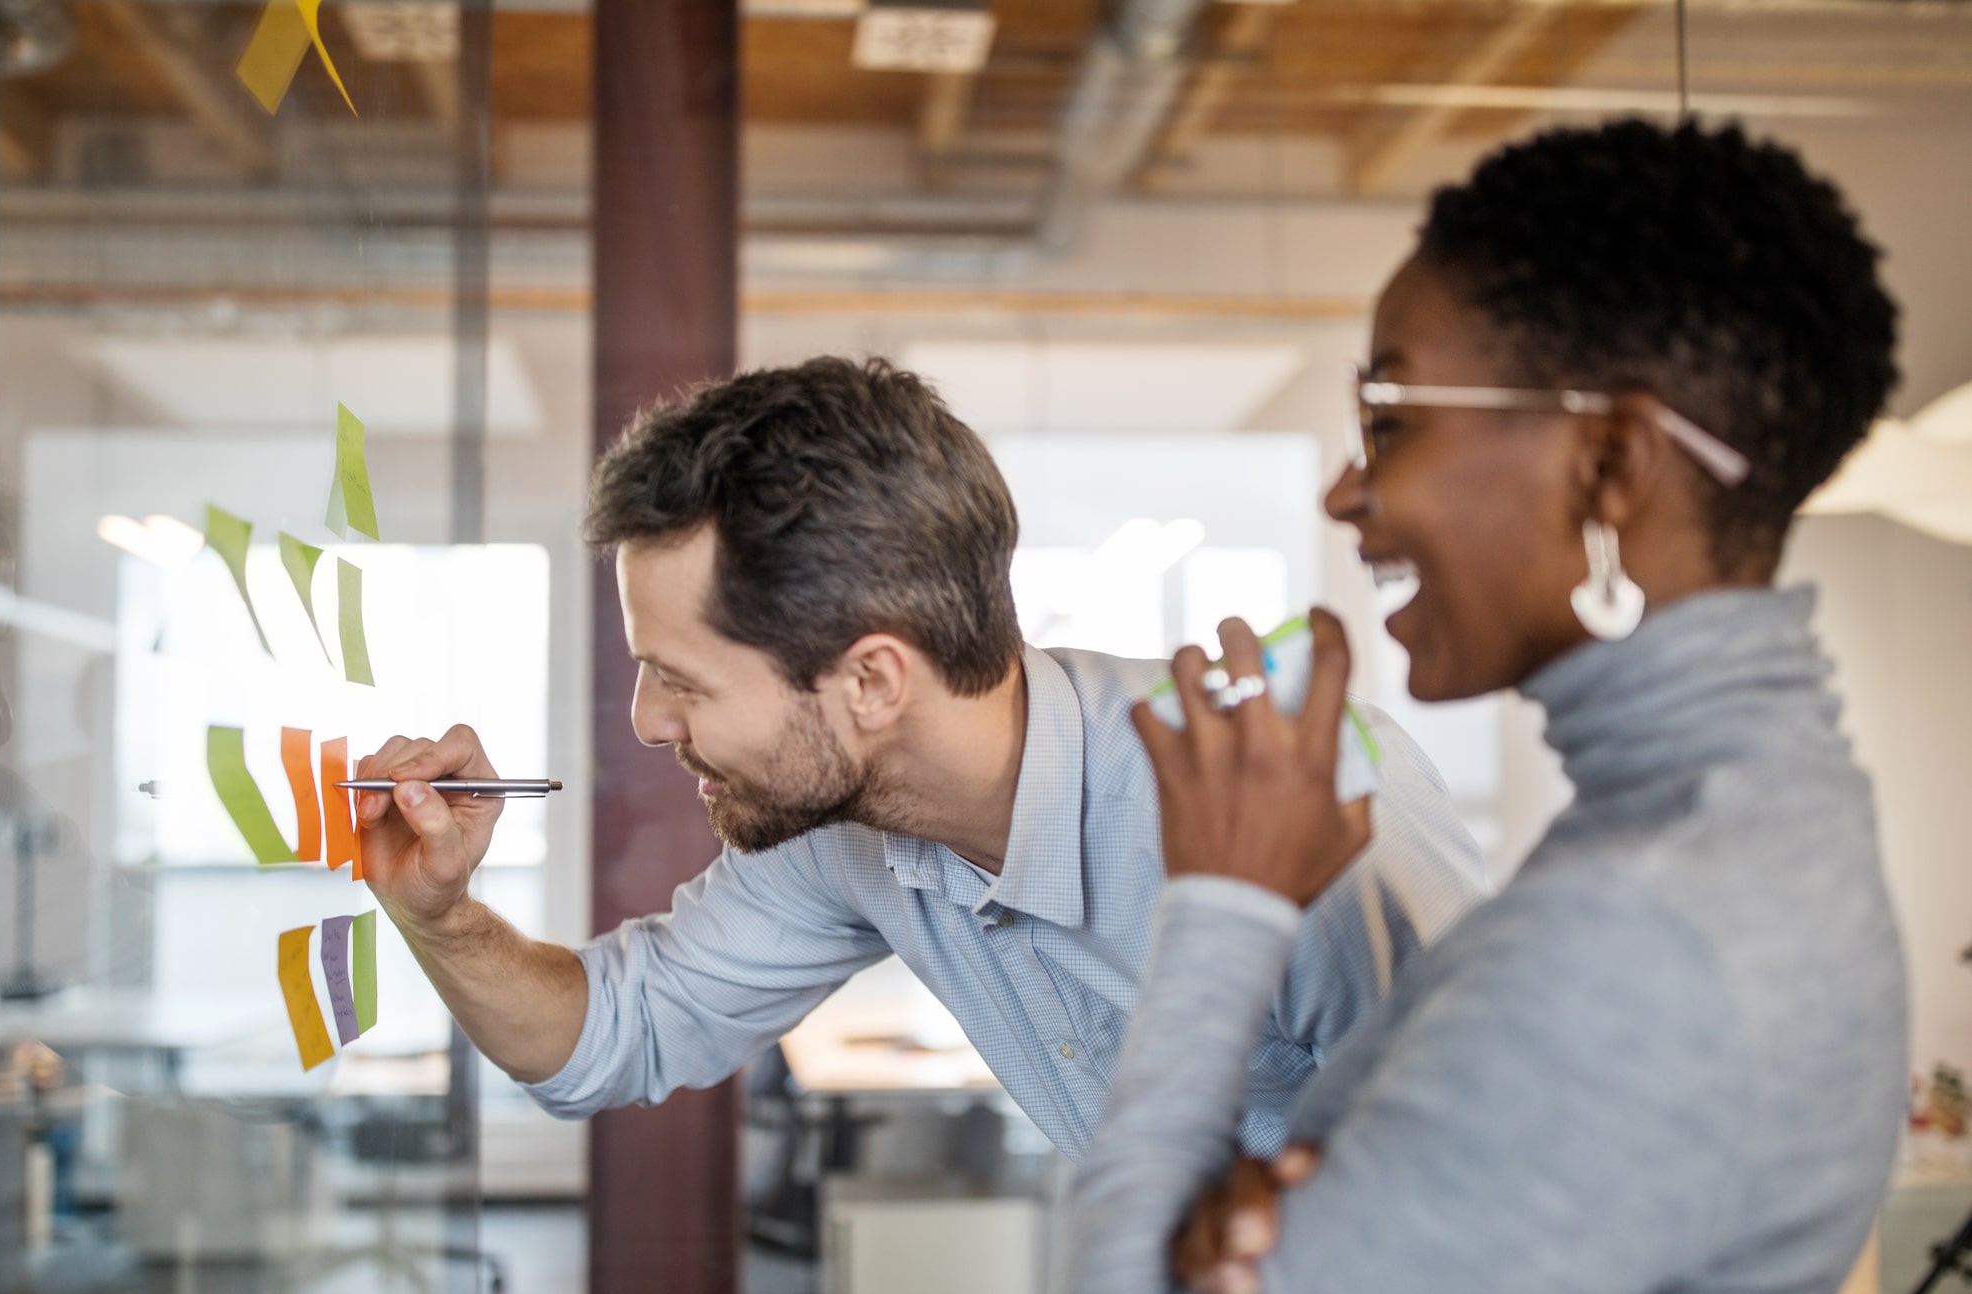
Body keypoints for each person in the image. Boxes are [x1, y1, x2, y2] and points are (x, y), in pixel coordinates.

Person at [1051, 119, 1907, 1294]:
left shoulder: (1642, 935)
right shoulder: (1753, 822)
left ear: (1610, 464)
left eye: (1387, 418)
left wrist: (1224, 902)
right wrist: (1266, 1192)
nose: (1348, 494)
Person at [349, 355, 1486, 1164]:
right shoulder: (845, 824)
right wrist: (442, 917)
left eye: (683, 679)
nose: (648, 721)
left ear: (874, 682)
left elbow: (1507, 1178)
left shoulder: (1303, 796)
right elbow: (609, 1038)